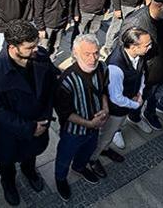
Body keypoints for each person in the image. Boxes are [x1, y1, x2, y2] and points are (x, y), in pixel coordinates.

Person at [0, 20, 56, 206]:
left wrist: (44, 120)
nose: (36, 50)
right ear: (13, 47)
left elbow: (50, 88)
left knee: (31, 154)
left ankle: (29, 171)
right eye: (30, 47)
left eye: (36, 45)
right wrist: (29, 127)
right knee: (7, 162)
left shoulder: (40, 56)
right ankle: (8, 183)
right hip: (10, 130)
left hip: (38, 122)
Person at [88, 28, 150, 178]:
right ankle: (93, 158)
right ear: (134, 47)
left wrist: (140, 92)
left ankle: (105, 148)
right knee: (105, 135)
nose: (150, 47)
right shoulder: (116, 66)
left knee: (109, 134)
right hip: (115, 109)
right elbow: (116, 97)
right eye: (147, 45)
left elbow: (141, 74)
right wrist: (136, 104)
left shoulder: (137, 55)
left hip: (127, 104)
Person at [53, 35, 109, 201]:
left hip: (95, 127)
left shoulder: (103, 68)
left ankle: (79, 167)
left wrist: (105, 109)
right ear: (75, 54)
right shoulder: (66, 80)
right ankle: (60, 179)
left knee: (88, 150)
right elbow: (65, 113)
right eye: (87, 54)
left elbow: (104, 91)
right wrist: (89, 123)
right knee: (64, 156)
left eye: (96, 53)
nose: (93, 59)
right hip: (73, 131)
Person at [120, 0, 163, 132]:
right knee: (125, 102)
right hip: (137, 75)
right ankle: (116, 130)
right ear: (160, 6)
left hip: (155, 73)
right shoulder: (136, 22)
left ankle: (135, 117)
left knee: (142, 99)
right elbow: (124, 53)